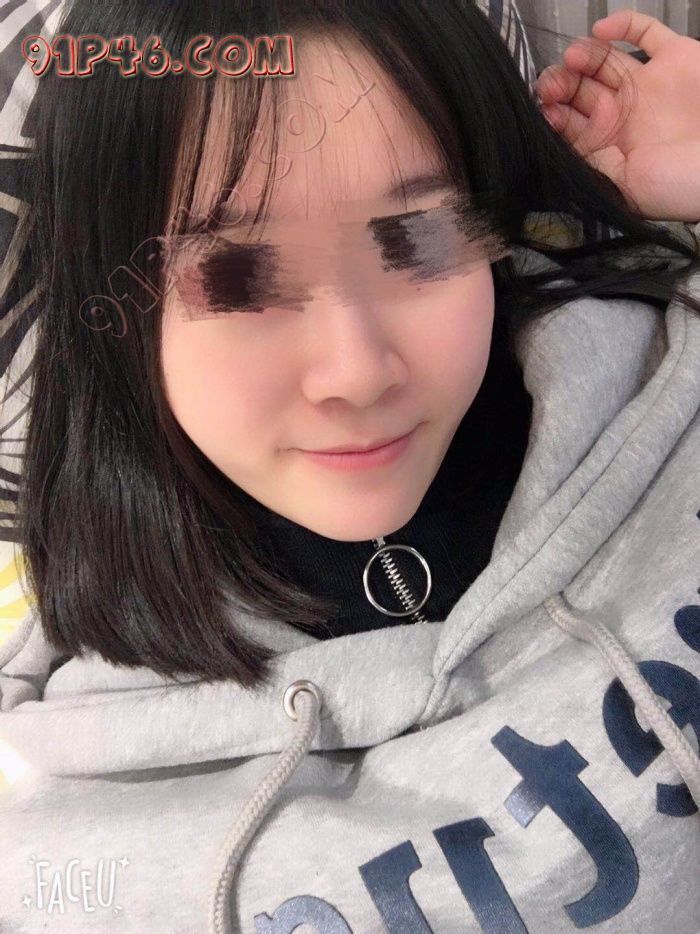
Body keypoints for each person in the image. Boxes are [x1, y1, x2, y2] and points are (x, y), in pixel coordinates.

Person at [0, 1, 698, 932]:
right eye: (239, 276)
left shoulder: (669, 388)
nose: (357, 371)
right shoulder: (57, 847)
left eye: (416, 237)